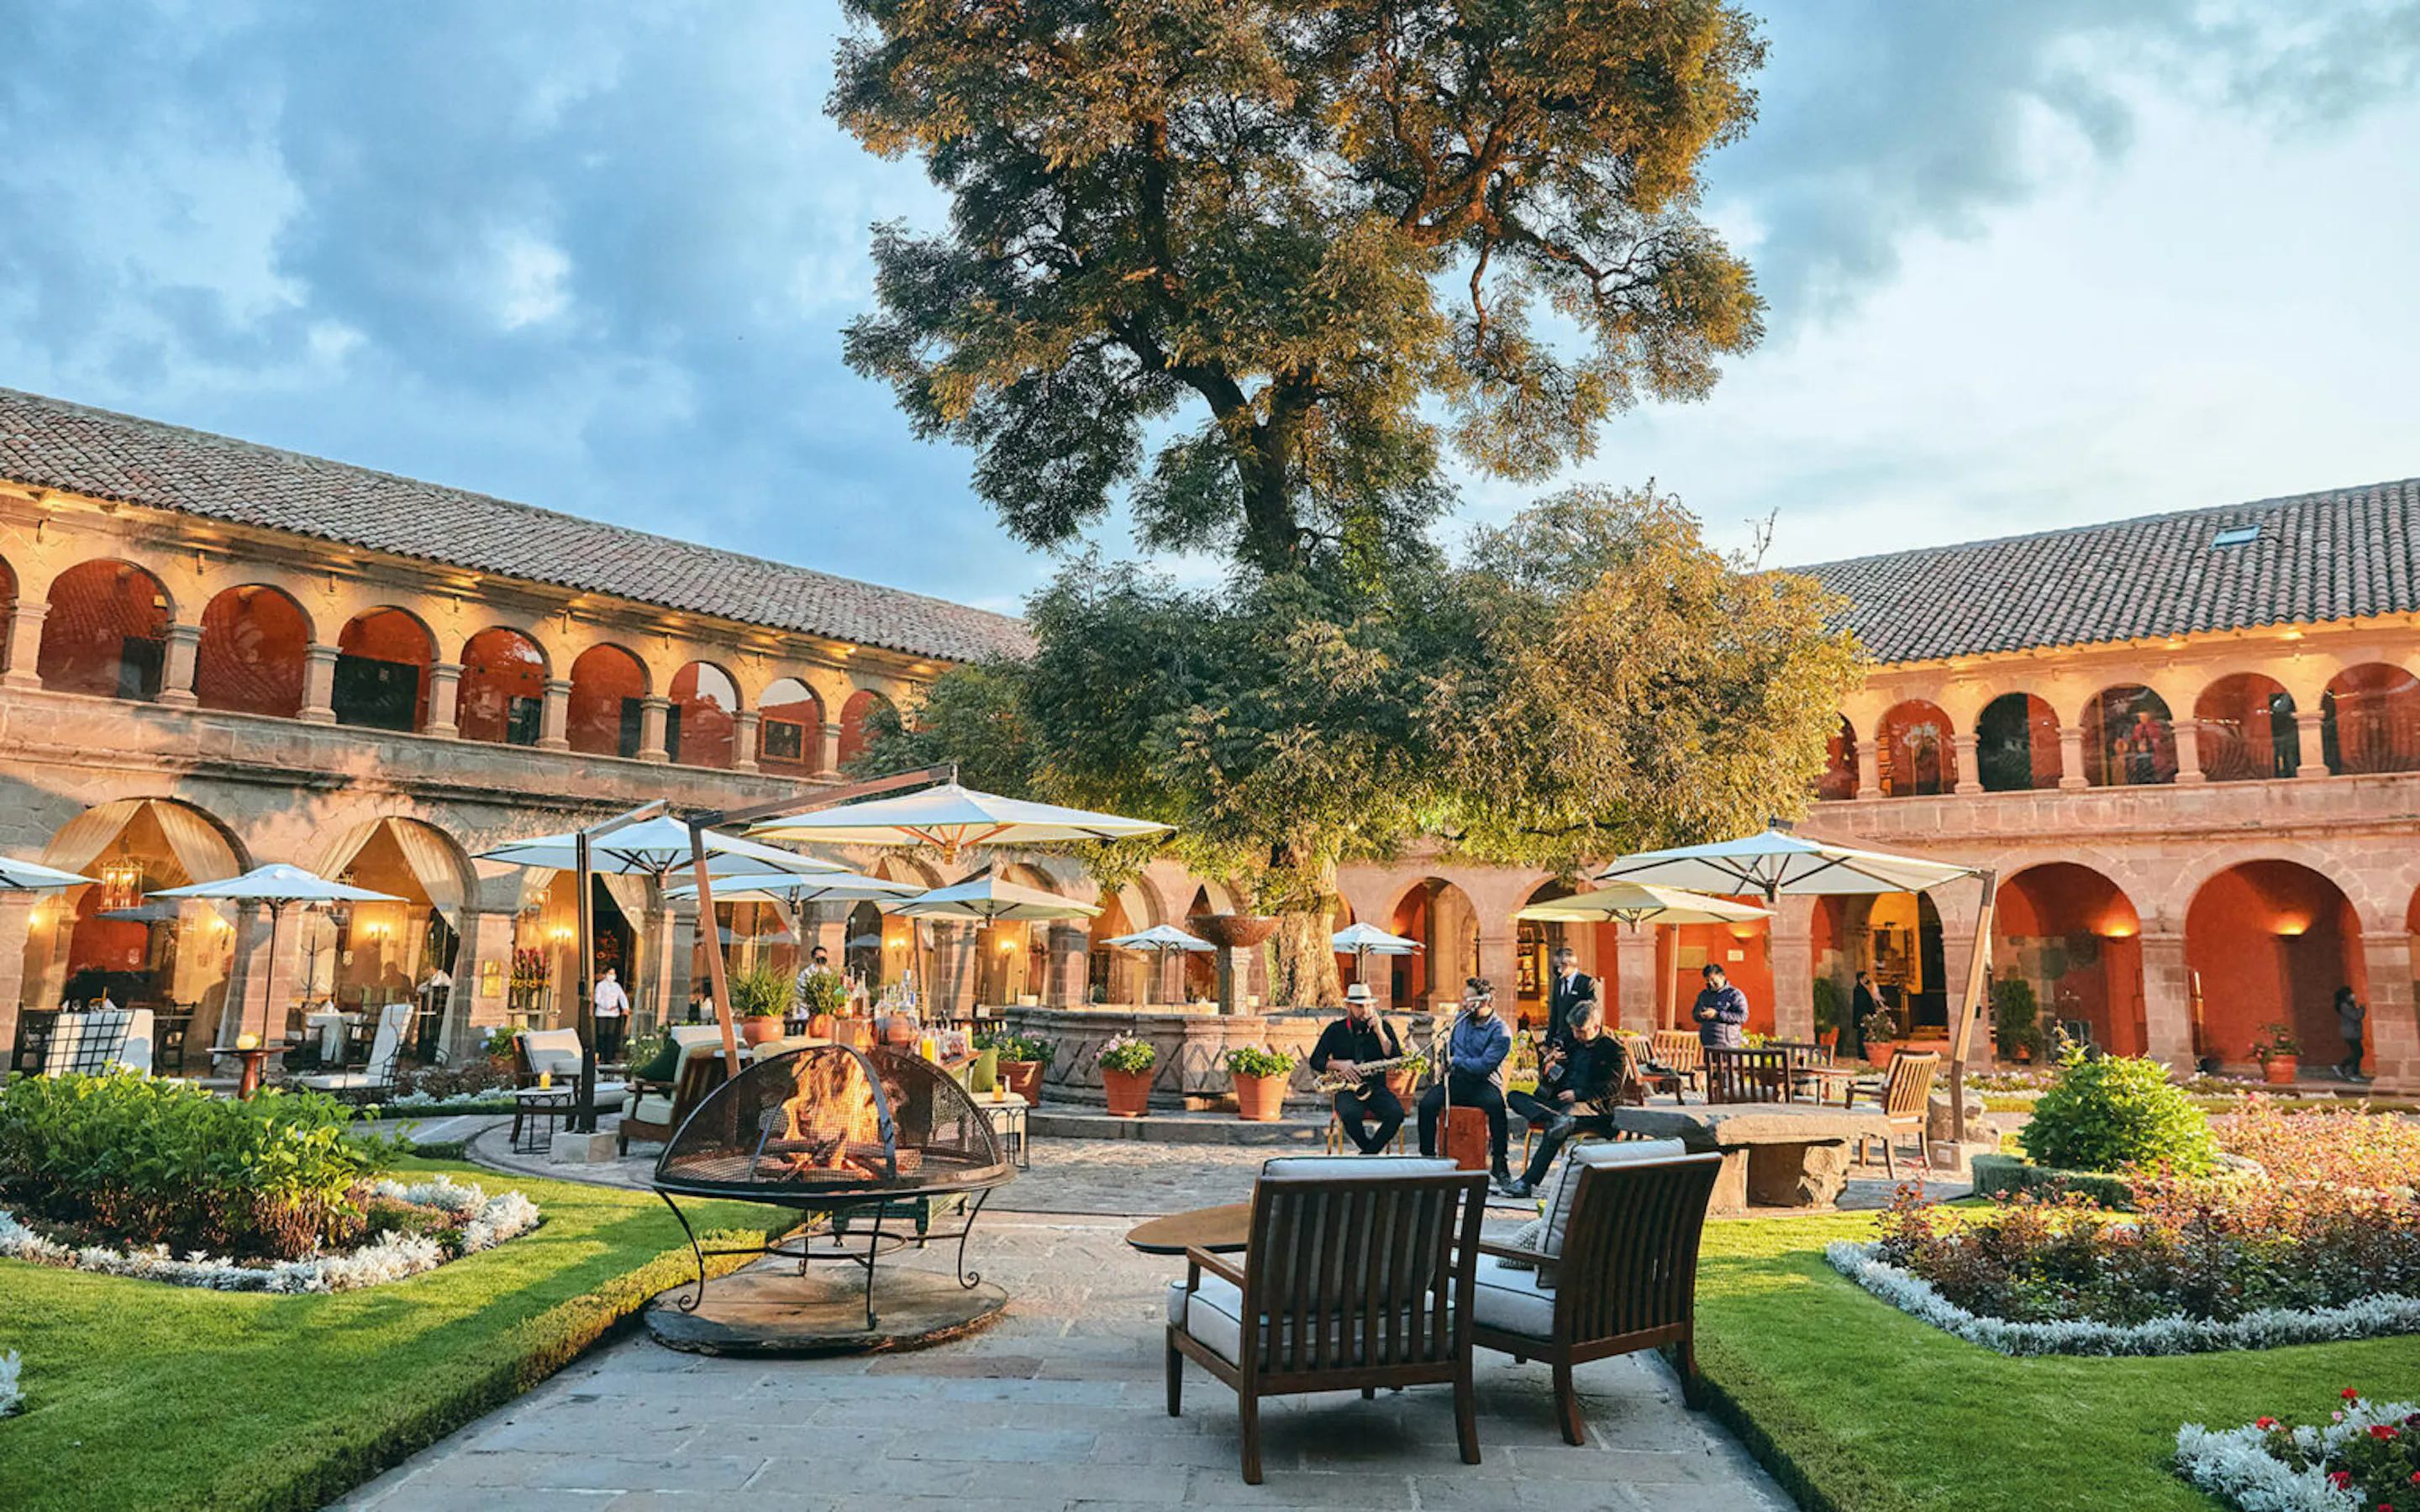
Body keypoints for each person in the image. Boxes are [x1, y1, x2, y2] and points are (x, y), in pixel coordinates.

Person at [1502, 998, 1626, 1197]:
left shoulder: (1613, 1049)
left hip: (1592, 1107)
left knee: (1561, 1122)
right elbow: (1548, 1084)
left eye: (1581, 1031)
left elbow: (1613, 1087)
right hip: (1558, 1105)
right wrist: (1550, 1065)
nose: (1577, 1036)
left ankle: (1527, 1182)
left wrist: (1578, 1094)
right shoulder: (1570, 1042)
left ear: (1596, 1027)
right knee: (1514, 1096)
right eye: (1574, 1030)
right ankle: (1556, 1119)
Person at [1416, 977, 1512, 1184]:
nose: (1464, 1003)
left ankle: (1500, 1162)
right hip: (1457, 1080)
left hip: (1483, 1083)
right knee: (1426, 1105)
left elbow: (1484, 1065)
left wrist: (1457, 1061)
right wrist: (1444, 1059)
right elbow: (1451, 1048)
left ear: (1483, 1001)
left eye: (1469, 1000)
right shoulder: (1460, 1020)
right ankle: (1427, 1158)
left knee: (1497, 1107)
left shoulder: (1500, 1030)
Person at [1308, 983, 1405, 1154]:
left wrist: (1380, 1033)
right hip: (1346, 1088)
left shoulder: (1383, 1027)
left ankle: (1368, 1155)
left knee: (1396, 1114)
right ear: (1348, 1006)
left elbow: (1396, 1058)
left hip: (1376, 1087)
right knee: (1350, 1115)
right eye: (1359, 1006)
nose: (1365, 1011)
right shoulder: (1335, 1030)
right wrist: (1339, 1064)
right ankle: (1370, 1153)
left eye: (1369, 1006)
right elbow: (1316, 1060)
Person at [1544, 945, 1597, 1049]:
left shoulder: (1587, 982)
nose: (1556, 969)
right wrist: (1548, 1042)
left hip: (1580, 1039)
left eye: (1559, 965)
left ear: (1567, 965)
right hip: (1561, 1039)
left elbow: (1591, 1013)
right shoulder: (1558, 983)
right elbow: (1554, 1013)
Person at [1691, 963, 1749, 1049]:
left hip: (1728, 1044)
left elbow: (1742, 1016)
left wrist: (1717, 1015)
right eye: (1708, 981)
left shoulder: (1734, 994)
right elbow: (1695, 1014)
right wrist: (1701, 1015)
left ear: (1722, 977)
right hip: (1708, 1043)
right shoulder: (1704, 995)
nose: (1711, 984)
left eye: (1713, 980)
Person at [592, 968, 630, 1063]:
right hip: (602, 1013)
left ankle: (609, 1057)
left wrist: (625, 1008)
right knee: (601, 1035)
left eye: (613, 973)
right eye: (610, 973)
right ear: (606, 974)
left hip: (613, 1014)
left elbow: (622, 997)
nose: (612, 975)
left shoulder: (617, 986)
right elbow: (597, 999)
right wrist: (607, 1007)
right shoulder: (600, 985)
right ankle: (600, 1056)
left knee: (611, 1036)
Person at [2336, 985, 2368, 1081]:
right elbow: (2356, 1016)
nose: (2353, 996)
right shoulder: (2344, 1006)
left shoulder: (2349, 1005)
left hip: (2354, 1032)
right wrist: (2362, 1008)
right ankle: (2351, 1071)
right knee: (2357, 1053)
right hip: (2350, 1033)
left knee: (2358, 1052)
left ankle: (2349, 1069)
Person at [1849, 970, 1881, 1058]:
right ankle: (1863, 1054)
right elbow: (1862, 1004)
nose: (1867, 979)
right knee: (1862, 1036)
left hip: (1863, 1016)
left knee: (1863, 1035)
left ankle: (1863, 1053)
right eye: (1866, 978)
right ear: (1861, 979)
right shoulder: (1859, 990)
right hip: (1862, 1016)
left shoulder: (1862, 989)